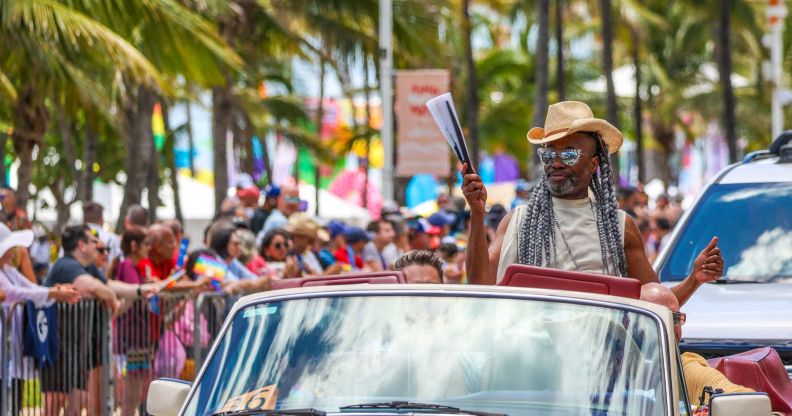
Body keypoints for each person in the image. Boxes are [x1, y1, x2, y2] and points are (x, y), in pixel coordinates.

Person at [461, 101, 723, 305]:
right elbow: (479, 283)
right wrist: (476, 213)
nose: (557, 162)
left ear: (594, 163)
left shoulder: (620, 227)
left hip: (598, 365)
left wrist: (694, 279)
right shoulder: (517, 221)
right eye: (549, 153)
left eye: (570, 153)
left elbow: (656, 303)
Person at [0, 223, 80, 414]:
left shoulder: (8, 271)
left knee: (13, 393)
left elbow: (29, 288)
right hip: (5, 342)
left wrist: (54, 292)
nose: (13, 253)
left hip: (11, 345)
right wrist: (52, 293)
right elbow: (11, 293)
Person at [639, 283, 754, 403]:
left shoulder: (685, 369)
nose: (668, 326)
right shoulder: (620, 364)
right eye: (657, 317)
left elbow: (746, 401)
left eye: (676, 318)